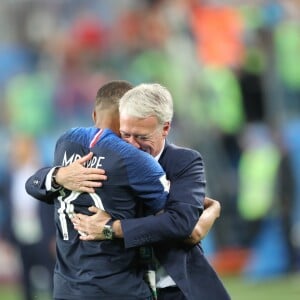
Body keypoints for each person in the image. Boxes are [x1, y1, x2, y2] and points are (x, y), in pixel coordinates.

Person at [28, 82, 230, 299]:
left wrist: (111, 228)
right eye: (125, 134)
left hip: (173, 285)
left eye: (142, 137)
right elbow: (34, 185)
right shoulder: (103, 159)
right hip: (128, 284)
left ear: (165, 128)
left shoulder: (184, 161)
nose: (133, 144)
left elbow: (186, 229)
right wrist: (59, 175)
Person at [25, 80, 171, 300]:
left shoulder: (66, 142)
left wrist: (57, 175)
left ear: (94, 115)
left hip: (66, 288)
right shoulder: (135, 159)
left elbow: (34, 185)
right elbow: (176, 219)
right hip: (118, 287)